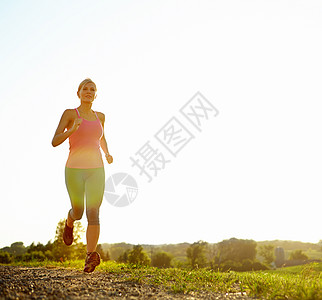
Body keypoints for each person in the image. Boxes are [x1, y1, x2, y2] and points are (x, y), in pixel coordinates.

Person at [52, 78, 113, 273]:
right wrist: (72, 129)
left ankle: (90, 256)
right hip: (74, 170)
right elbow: (54, 141)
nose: (88, 91)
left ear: (96, 94)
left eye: (92, 89)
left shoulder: (100, 116)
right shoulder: (70, 114)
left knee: (93, 211)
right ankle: (69, 222)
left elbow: (101, 137)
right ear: (78, 93)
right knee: (78, 212)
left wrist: (107, 152)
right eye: (85, 89)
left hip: (97, 169)